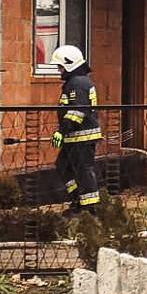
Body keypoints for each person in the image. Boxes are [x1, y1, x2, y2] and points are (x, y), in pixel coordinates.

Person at [49, 44, 104, 213]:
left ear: (69, 63)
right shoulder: (77, 82)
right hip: (75, 136)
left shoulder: (77, 83)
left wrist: (61, 131)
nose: (60, 71)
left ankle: (89, 209)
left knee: (83, 171)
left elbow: (76, 112)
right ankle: (78, 199)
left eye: (61, 67)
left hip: (82, 137)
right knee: (63, 166)